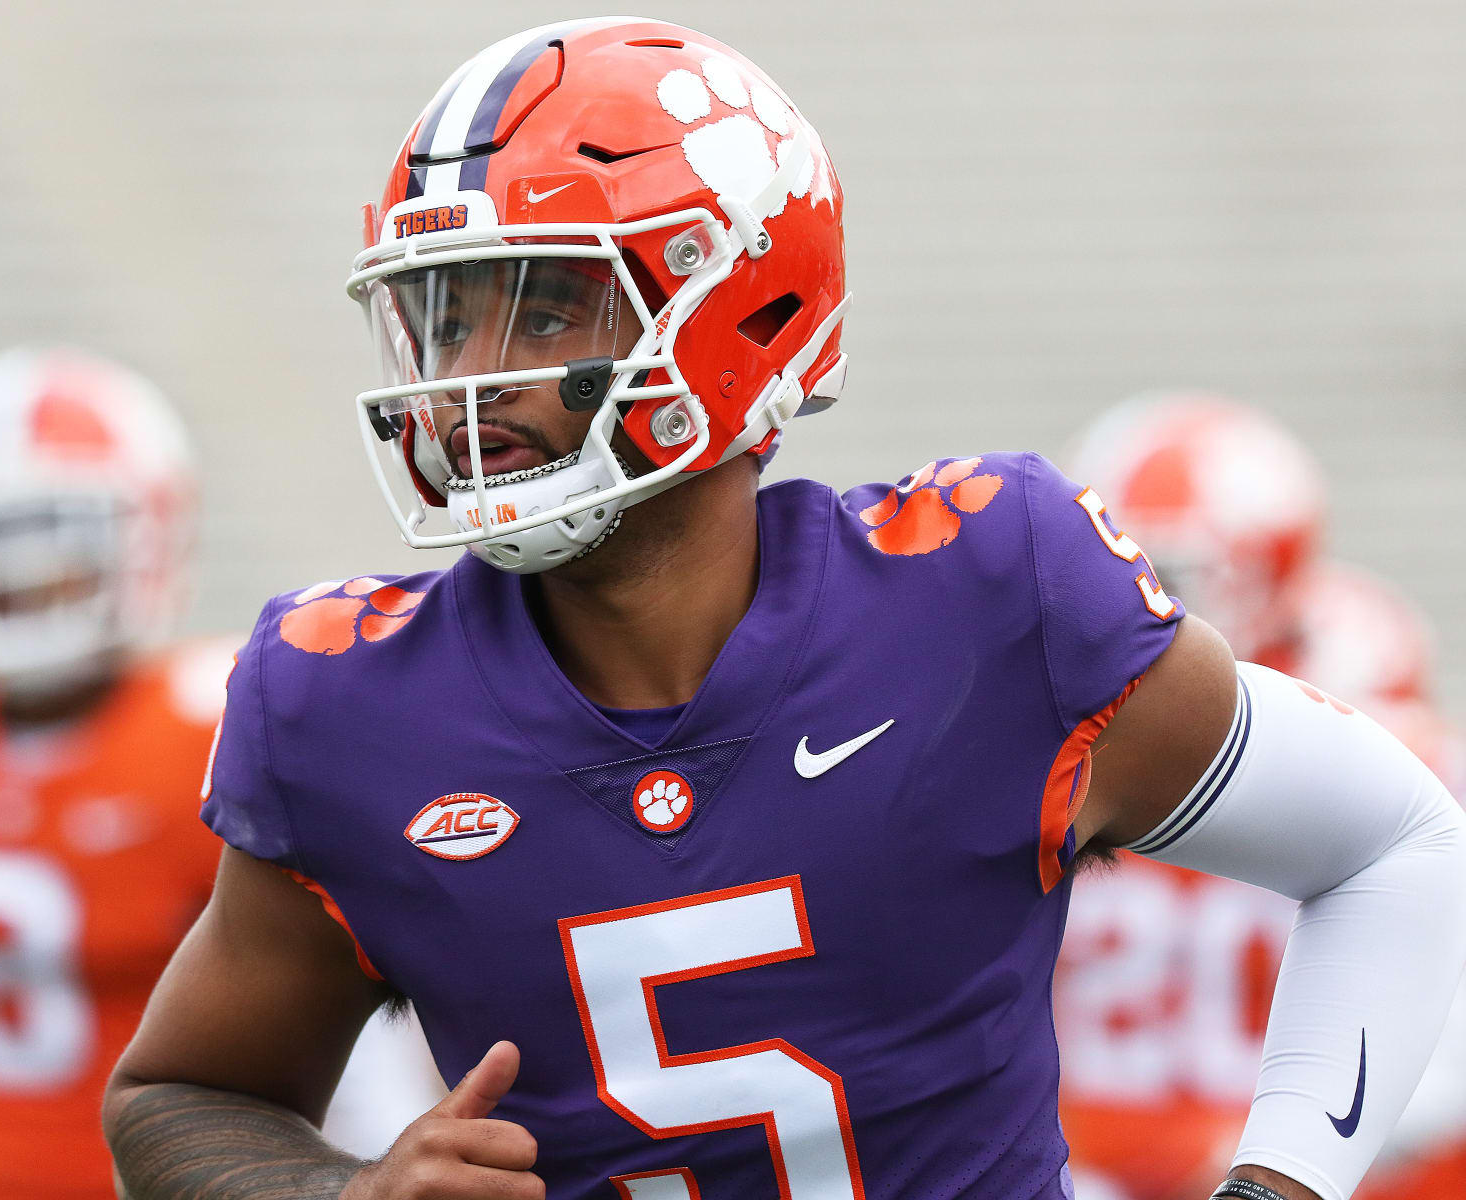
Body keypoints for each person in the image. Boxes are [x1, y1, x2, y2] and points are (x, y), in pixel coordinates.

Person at [103, 20, 1466, 1200]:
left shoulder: (991, 597)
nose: (474, 381)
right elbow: (174, 1097)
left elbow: (1395, 844)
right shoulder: (343, 705)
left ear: (738, 301)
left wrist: (1277, 1180)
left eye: (542, 308)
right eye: (445, 320)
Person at [0, 347, 440, 1200]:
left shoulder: (214, 725)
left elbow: (337, 1045)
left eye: (56, 542)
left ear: (149, 535)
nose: (19, 580)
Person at [1053, 394, 1466, 1200]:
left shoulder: (1376, 748)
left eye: (1168, 571)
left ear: (1265, 567)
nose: (1134, 593)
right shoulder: (1052, 740)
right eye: (1112, 553)